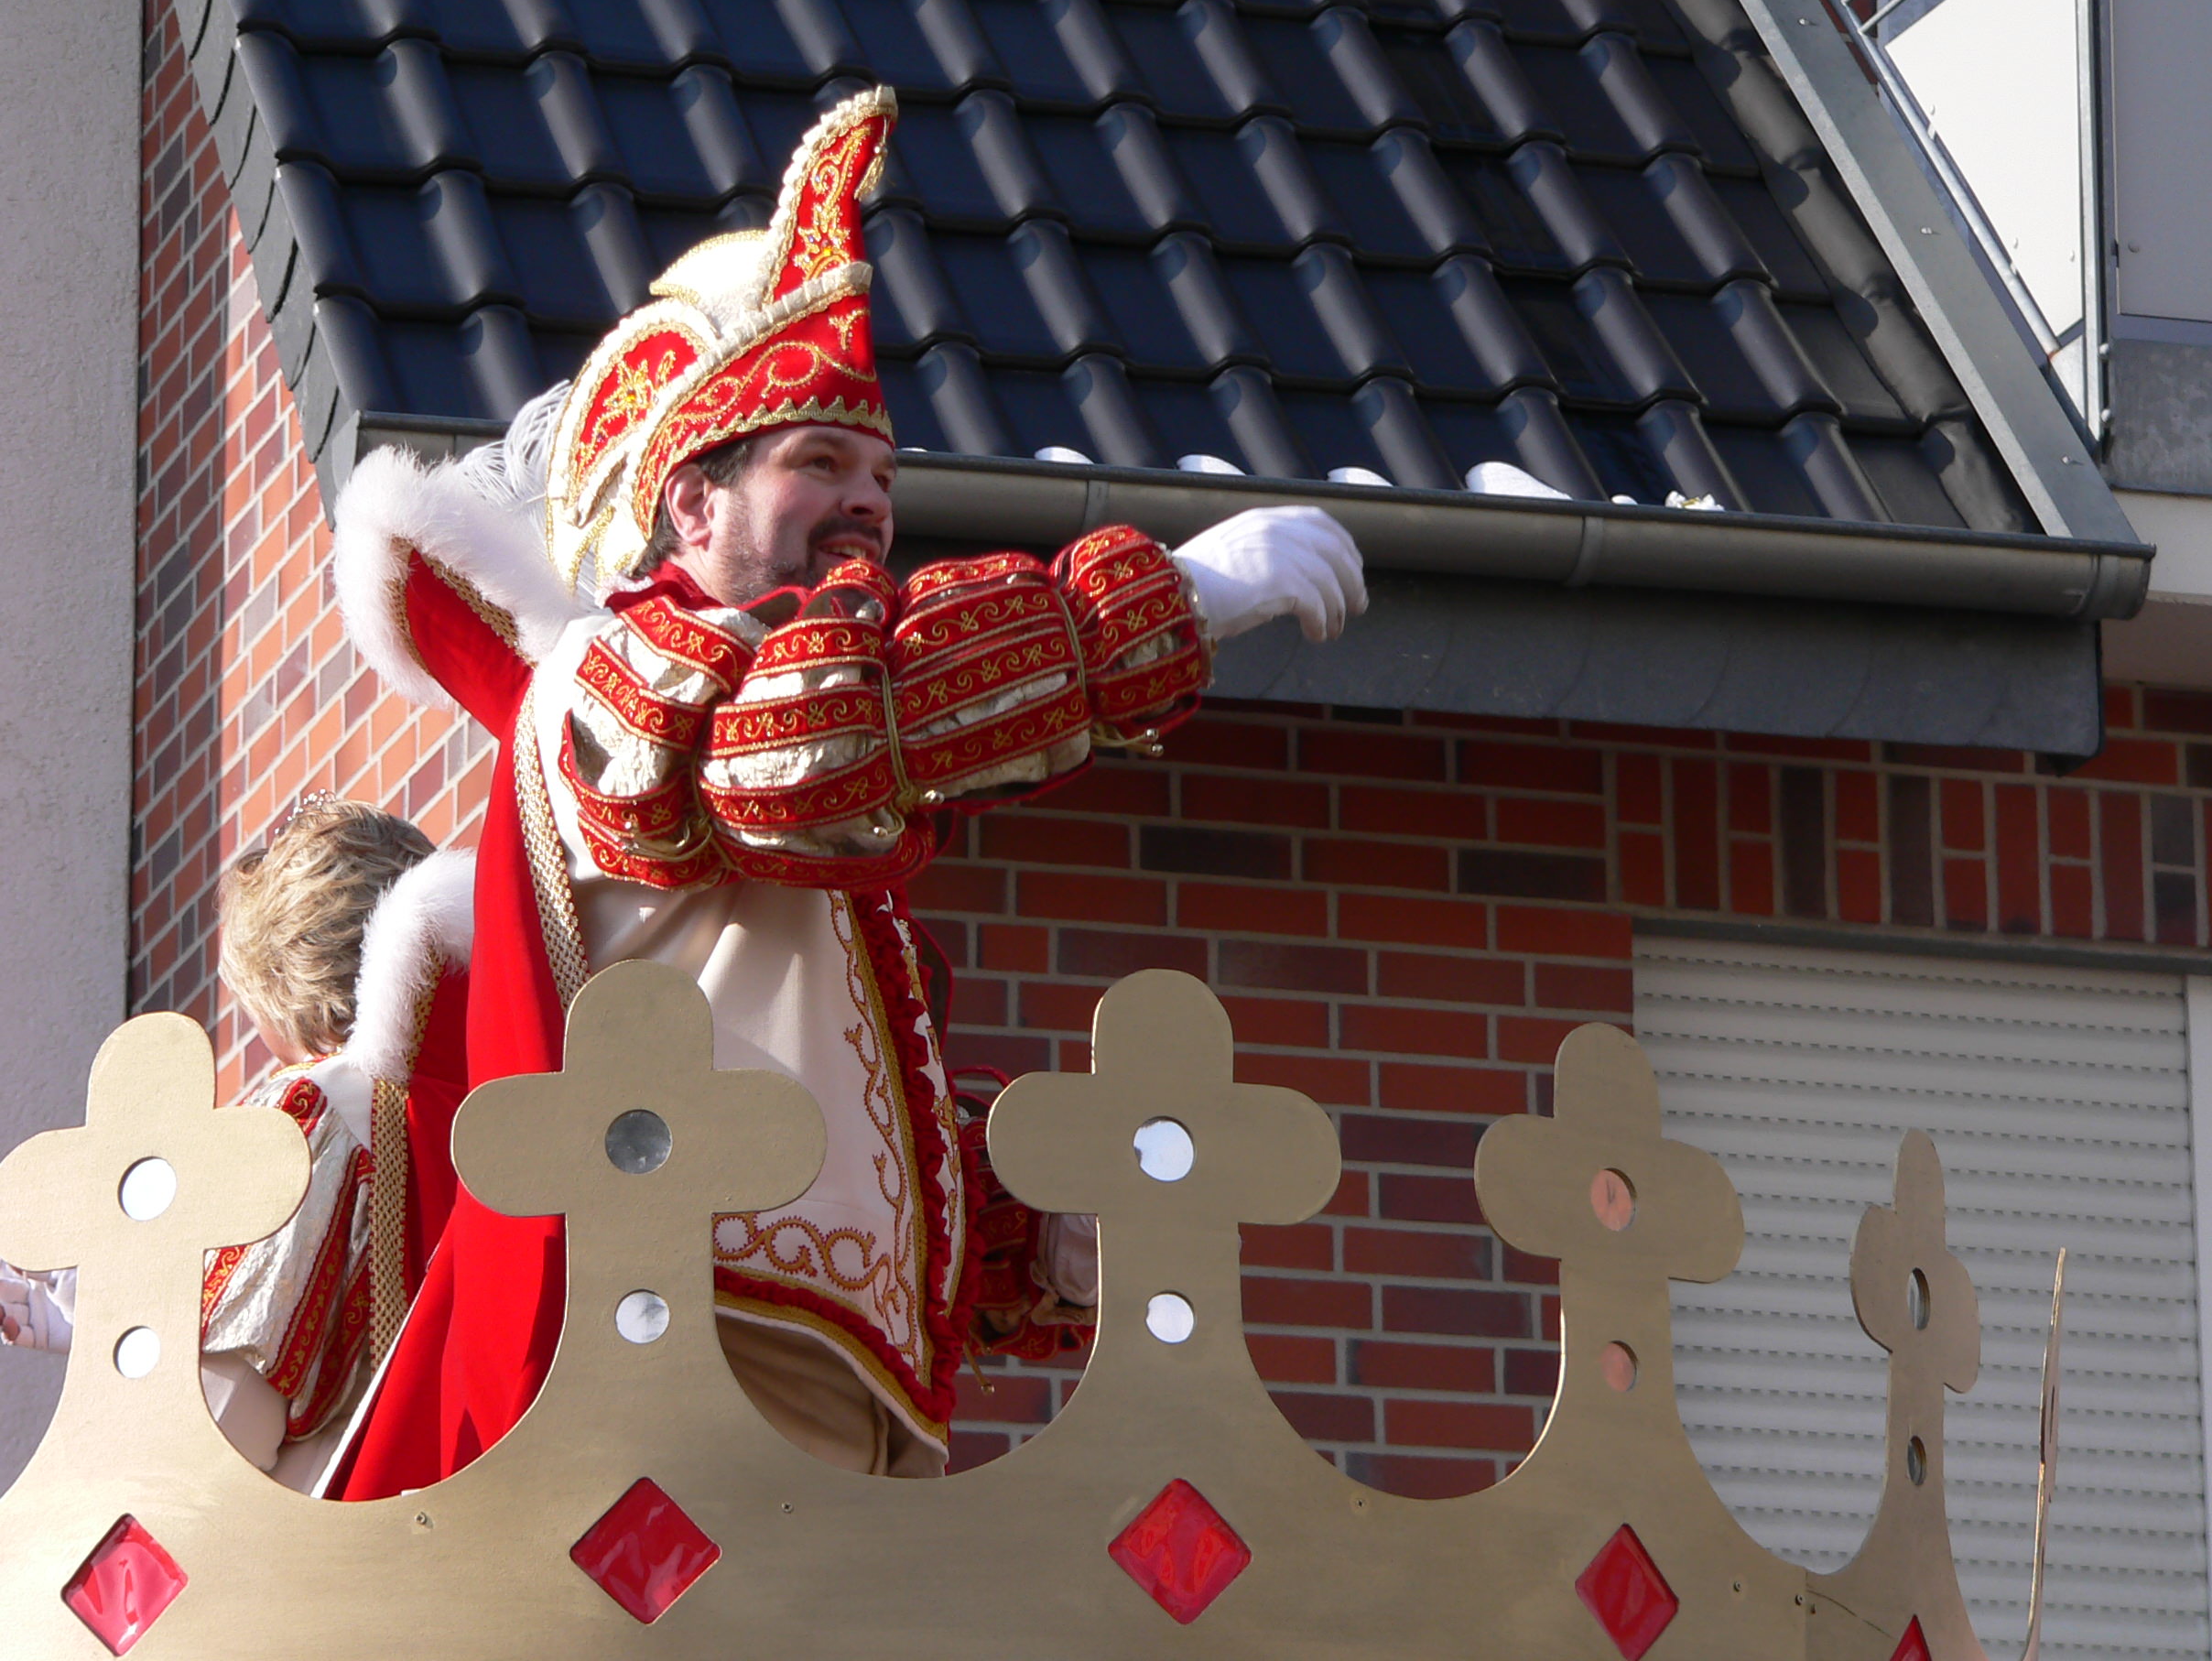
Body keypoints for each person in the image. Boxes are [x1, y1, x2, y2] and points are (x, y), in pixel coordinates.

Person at [325, 84, 1367, 1494]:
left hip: (829, 1390)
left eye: (881, 471)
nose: (870, 502)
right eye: (818, 463)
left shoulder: (822, 792)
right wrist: (1157, 600)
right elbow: (802, 749)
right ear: (693, 503)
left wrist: (1026, 1235)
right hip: (667, 1360)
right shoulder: (615, 673)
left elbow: (828, 1104)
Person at [0, 797, 472, 1490]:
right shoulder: (479, 1089)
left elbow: (211, 1433)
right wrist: (92, 1314)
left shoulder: (309, 1112)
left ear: (288, 975)